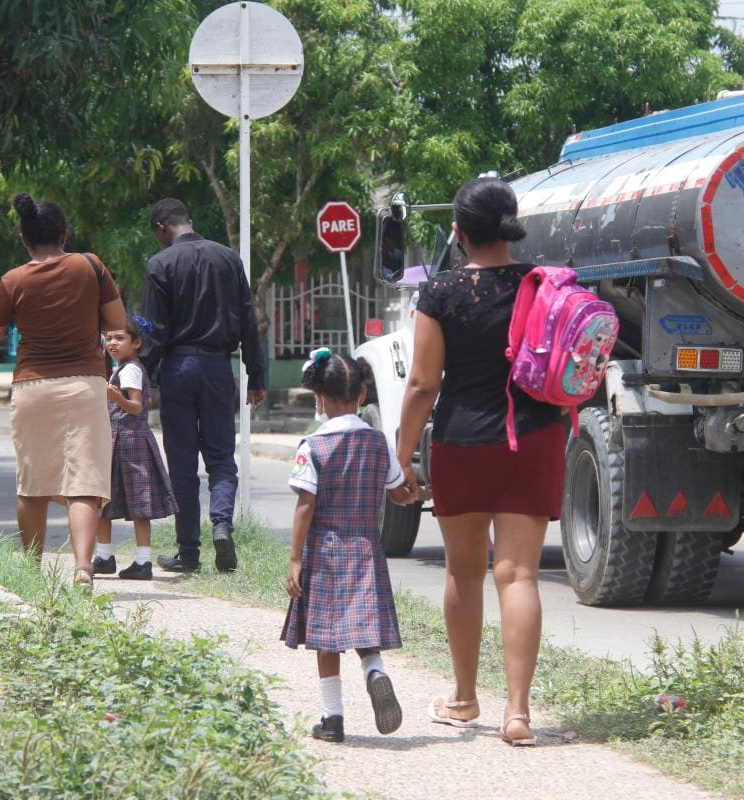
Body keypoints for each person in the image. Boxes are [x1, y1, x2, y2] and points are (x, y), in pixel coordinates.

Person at [394, 177, 566, 747]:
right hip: (533, 440)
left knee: (464, 573)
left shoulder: (441, 291)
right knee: (519, 575)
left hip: (463, 442)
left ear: (458, 231)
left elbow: (423, 383)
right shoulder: (541, 284)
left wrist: (402, 453)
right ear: (510, 225)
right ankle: (518, 714)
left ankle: (465, 699)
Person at [0, 193, 127, 587]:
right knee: (85, 481)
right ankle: (83, 568)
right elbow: (117, 321)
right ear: (64, 234)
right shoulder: (90, 265)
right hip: (85, 385)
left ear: (23, 238)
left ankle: (31, 573)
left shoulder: (13, 280)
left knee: (33, 483)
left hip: (32, 386)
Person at [282, 348, 409, 743]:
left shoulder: (312, 446)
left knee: (326, 637)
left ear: (320, 398)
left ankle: (332, 718)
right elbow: (398, 492)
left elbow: (306, 505)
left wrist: (295, 559)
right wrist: (412, 490)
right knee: (363, 624)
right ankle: (375, 670)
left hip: (325, 551)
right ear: (362, 395)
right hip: (366, 548)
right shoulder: (378, 442)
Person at [142, 198, 266, 574]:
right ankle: (222, 526)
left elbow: (155, 332)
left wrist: (141, 377)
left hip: (178, 368)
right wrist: (257, 376)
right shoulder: (229, 258)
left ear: (162, 227)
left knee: (182, 463)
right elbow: (248, 321)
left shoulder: (160, 264)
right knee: (221, 458)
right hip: (218, 367)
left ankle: (189, 552)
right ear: (189, 220)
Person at [92, 315, 178, 580]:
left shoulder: (130, 369)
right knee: (106, 499)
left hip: (129, 442)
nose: (113, 343)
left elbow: (137, 407)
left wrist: (117, 398)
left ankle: (137, 560)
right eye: (109, 338)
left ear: (137, 343)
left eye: (120, 338)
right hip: (121, 439)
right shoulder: (122, 368)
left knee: (131, 500)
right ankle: (108, 556)